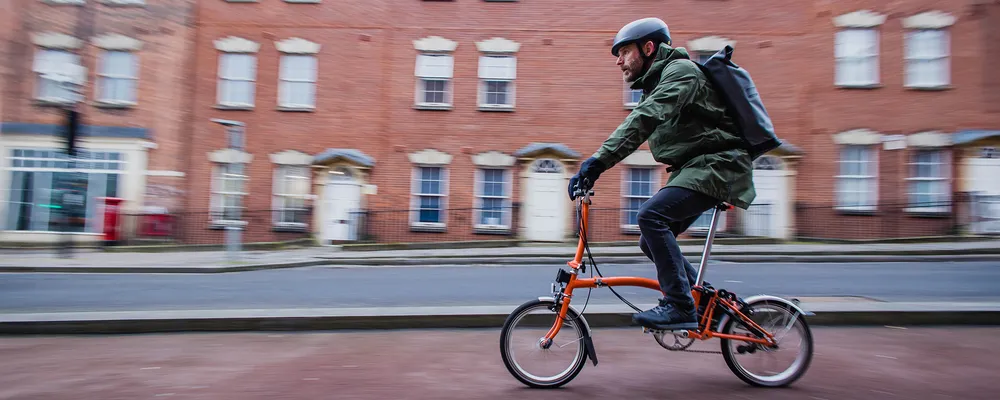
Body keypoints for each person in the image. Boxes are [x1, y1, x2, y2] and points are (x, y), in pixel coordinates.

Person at [568, 17, 756, 330]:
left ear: (649, 47)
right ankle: (708, 305)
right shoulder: (658, 83)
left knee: (650, 217)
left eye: (625, 52)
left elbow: (644, 119)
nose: (619, 61)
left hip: (719, 165)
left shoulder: (680, 72)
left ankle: (681, 306)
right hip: (697, 168)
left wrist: (597, 162)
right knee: (648, 239)